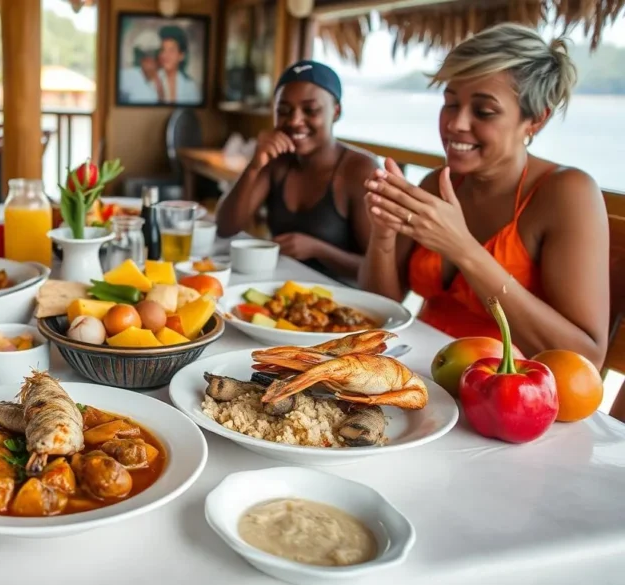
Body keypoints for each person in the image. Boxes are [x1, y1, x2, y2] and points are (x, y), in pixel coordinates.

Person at [360, 23, 609, 365]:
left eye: (484, 111)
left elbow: (586, 358)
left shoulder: (566, 193)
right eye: (450, 103)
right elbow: (380, 311)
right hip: (422, 371)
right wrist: (383, 237)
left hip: (507, 394)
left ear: (535, 120)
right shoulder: (439, 183)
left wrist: (463, 249)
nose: (456, 124)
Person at [216, 61, 379, 282]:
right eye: (283, 111)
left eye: (310, 110)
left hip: (342, 302)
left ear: (336, 111)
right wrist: (255, 166)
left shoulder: (360, 170)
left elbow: (378, 269)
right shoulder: (278, 162)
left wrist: (318, 249)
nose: (294, 121)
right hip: (280, 289)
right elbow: (226, 226)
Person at [156, 26, 202, 105]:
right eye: (163, 50)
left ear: (181, 55)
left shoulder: (190, 86)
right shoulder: (152, 81)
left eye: (171, 51)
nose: (165, 55)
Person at [119, 30, 165, 104]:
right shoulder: (128, 76)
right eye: (145, 55)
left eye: (152, 54)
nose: (148, 59)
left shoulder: (163, 77)